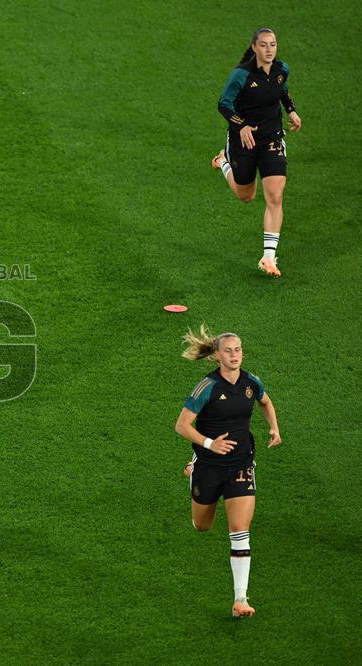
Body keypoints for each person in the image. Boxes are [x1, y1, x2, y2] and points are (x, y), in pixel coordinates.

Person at [174, 325, 281, 618]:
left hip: (241, 464)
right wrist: (209, 444)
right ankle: (193, 468)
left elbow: (265, 401)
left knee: (240, 532)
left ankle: (240, 599)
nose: (235, 355)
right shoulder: (206, 386)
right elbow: (181, 426)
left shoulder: (251, 382)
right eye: (228, 351)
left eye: (238, 350)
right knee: (202, 526)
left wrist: (274, 427)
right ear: (217, 355)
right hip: (209, 466)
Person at [212, 28, 302, 277]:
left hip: (272, 138)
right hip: (245, 140)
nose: (269, 49)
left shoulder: (281, 69)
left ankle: (268, 257)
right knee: (246, 195)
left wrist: (292, 110)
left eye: (273, 44)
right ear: (254, 47)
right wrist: (240, 126)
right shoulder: (241, 75)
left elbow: (281, 90)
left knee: (275, 194)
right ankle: (223, 162)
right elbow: (223, 103)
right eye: (263, 45)